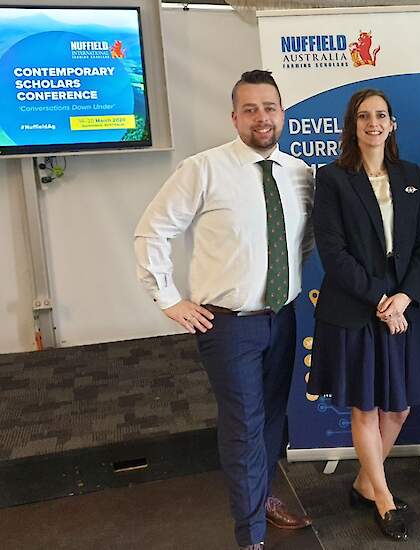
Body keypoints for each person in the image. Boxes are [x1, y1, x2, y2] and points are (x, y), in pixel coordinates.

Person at [134, 69, 313, 550]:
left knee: (274, 418)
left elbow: (307, 240)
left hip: (284, 317)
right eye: (250, 109)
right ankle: (249, 534)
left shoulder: (300, 174)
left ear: (283, 114)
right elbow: (152, 231)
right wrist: (169, 298)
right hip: (228, 326)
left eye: (269, 108)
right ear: (235, 116)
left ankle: (264, 499)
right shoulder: (203, 170)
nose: (261, 117)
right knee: (243, 424)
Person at [307, 89, 420, 541]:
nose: (373, 123)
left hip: (400, 309)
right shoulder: (334, 178)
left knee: (398, 409)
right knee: (367, 407)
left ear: (392, 123)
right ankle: (383, 498)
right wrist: (381, 301)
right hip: (357, 311)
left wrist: (403, 298)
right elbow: (333, 253)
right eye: (364, 116)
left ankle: (364, 481)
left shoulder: (411, 175)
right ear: (353, 125)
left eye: (381, 115)